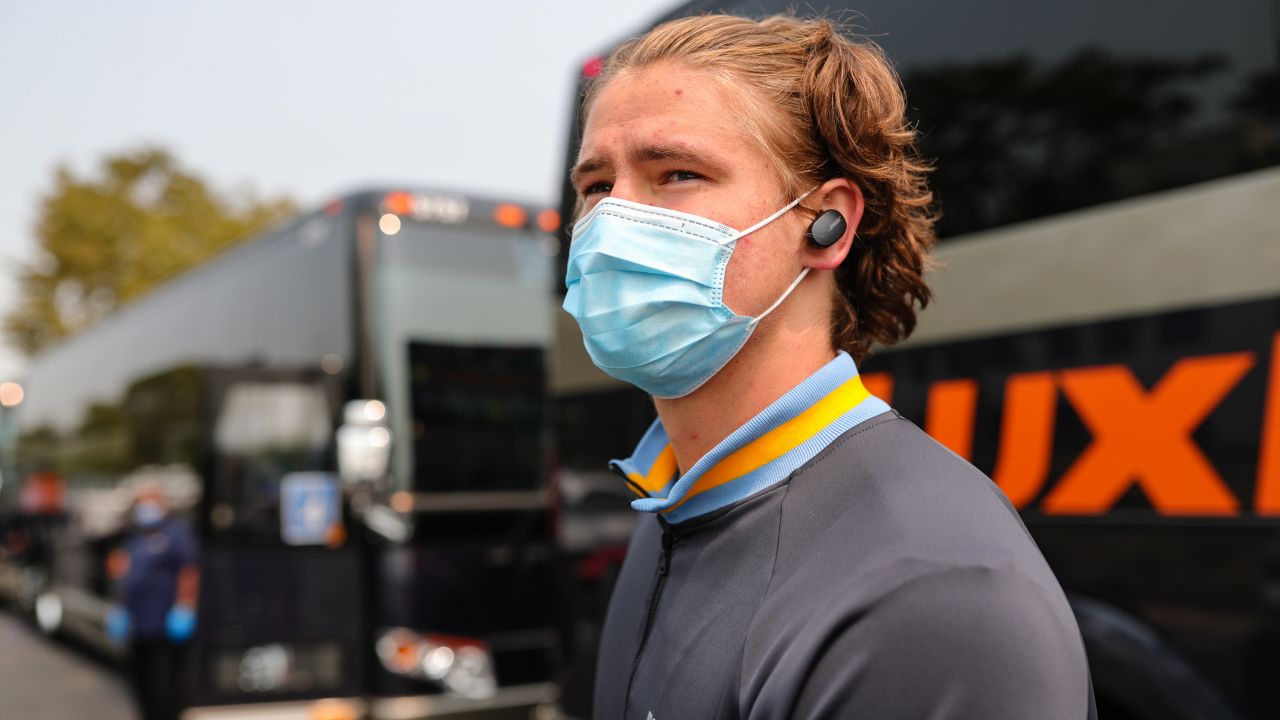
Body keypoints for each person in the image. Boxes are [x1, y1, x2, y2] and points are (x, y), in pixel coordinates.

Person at [562, 13, 1096, 719]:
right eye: (596, 186)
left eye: (677, 174)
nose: (614, 221)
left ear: (827, 224)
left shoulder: (931, 594)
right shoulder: (672, 508)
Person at [106, 483, 200, 720]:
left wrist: (184, 607)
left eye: (149, 500)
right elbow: (126, 574)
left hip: (164, 625)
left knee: (164, 687)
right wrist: (120, 608)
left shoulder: (176, 533)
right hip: (138, 625)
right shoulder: (135, 536)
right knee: (141, 685)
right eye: (141, 502)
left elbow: (188, 571)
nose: (145, 507)